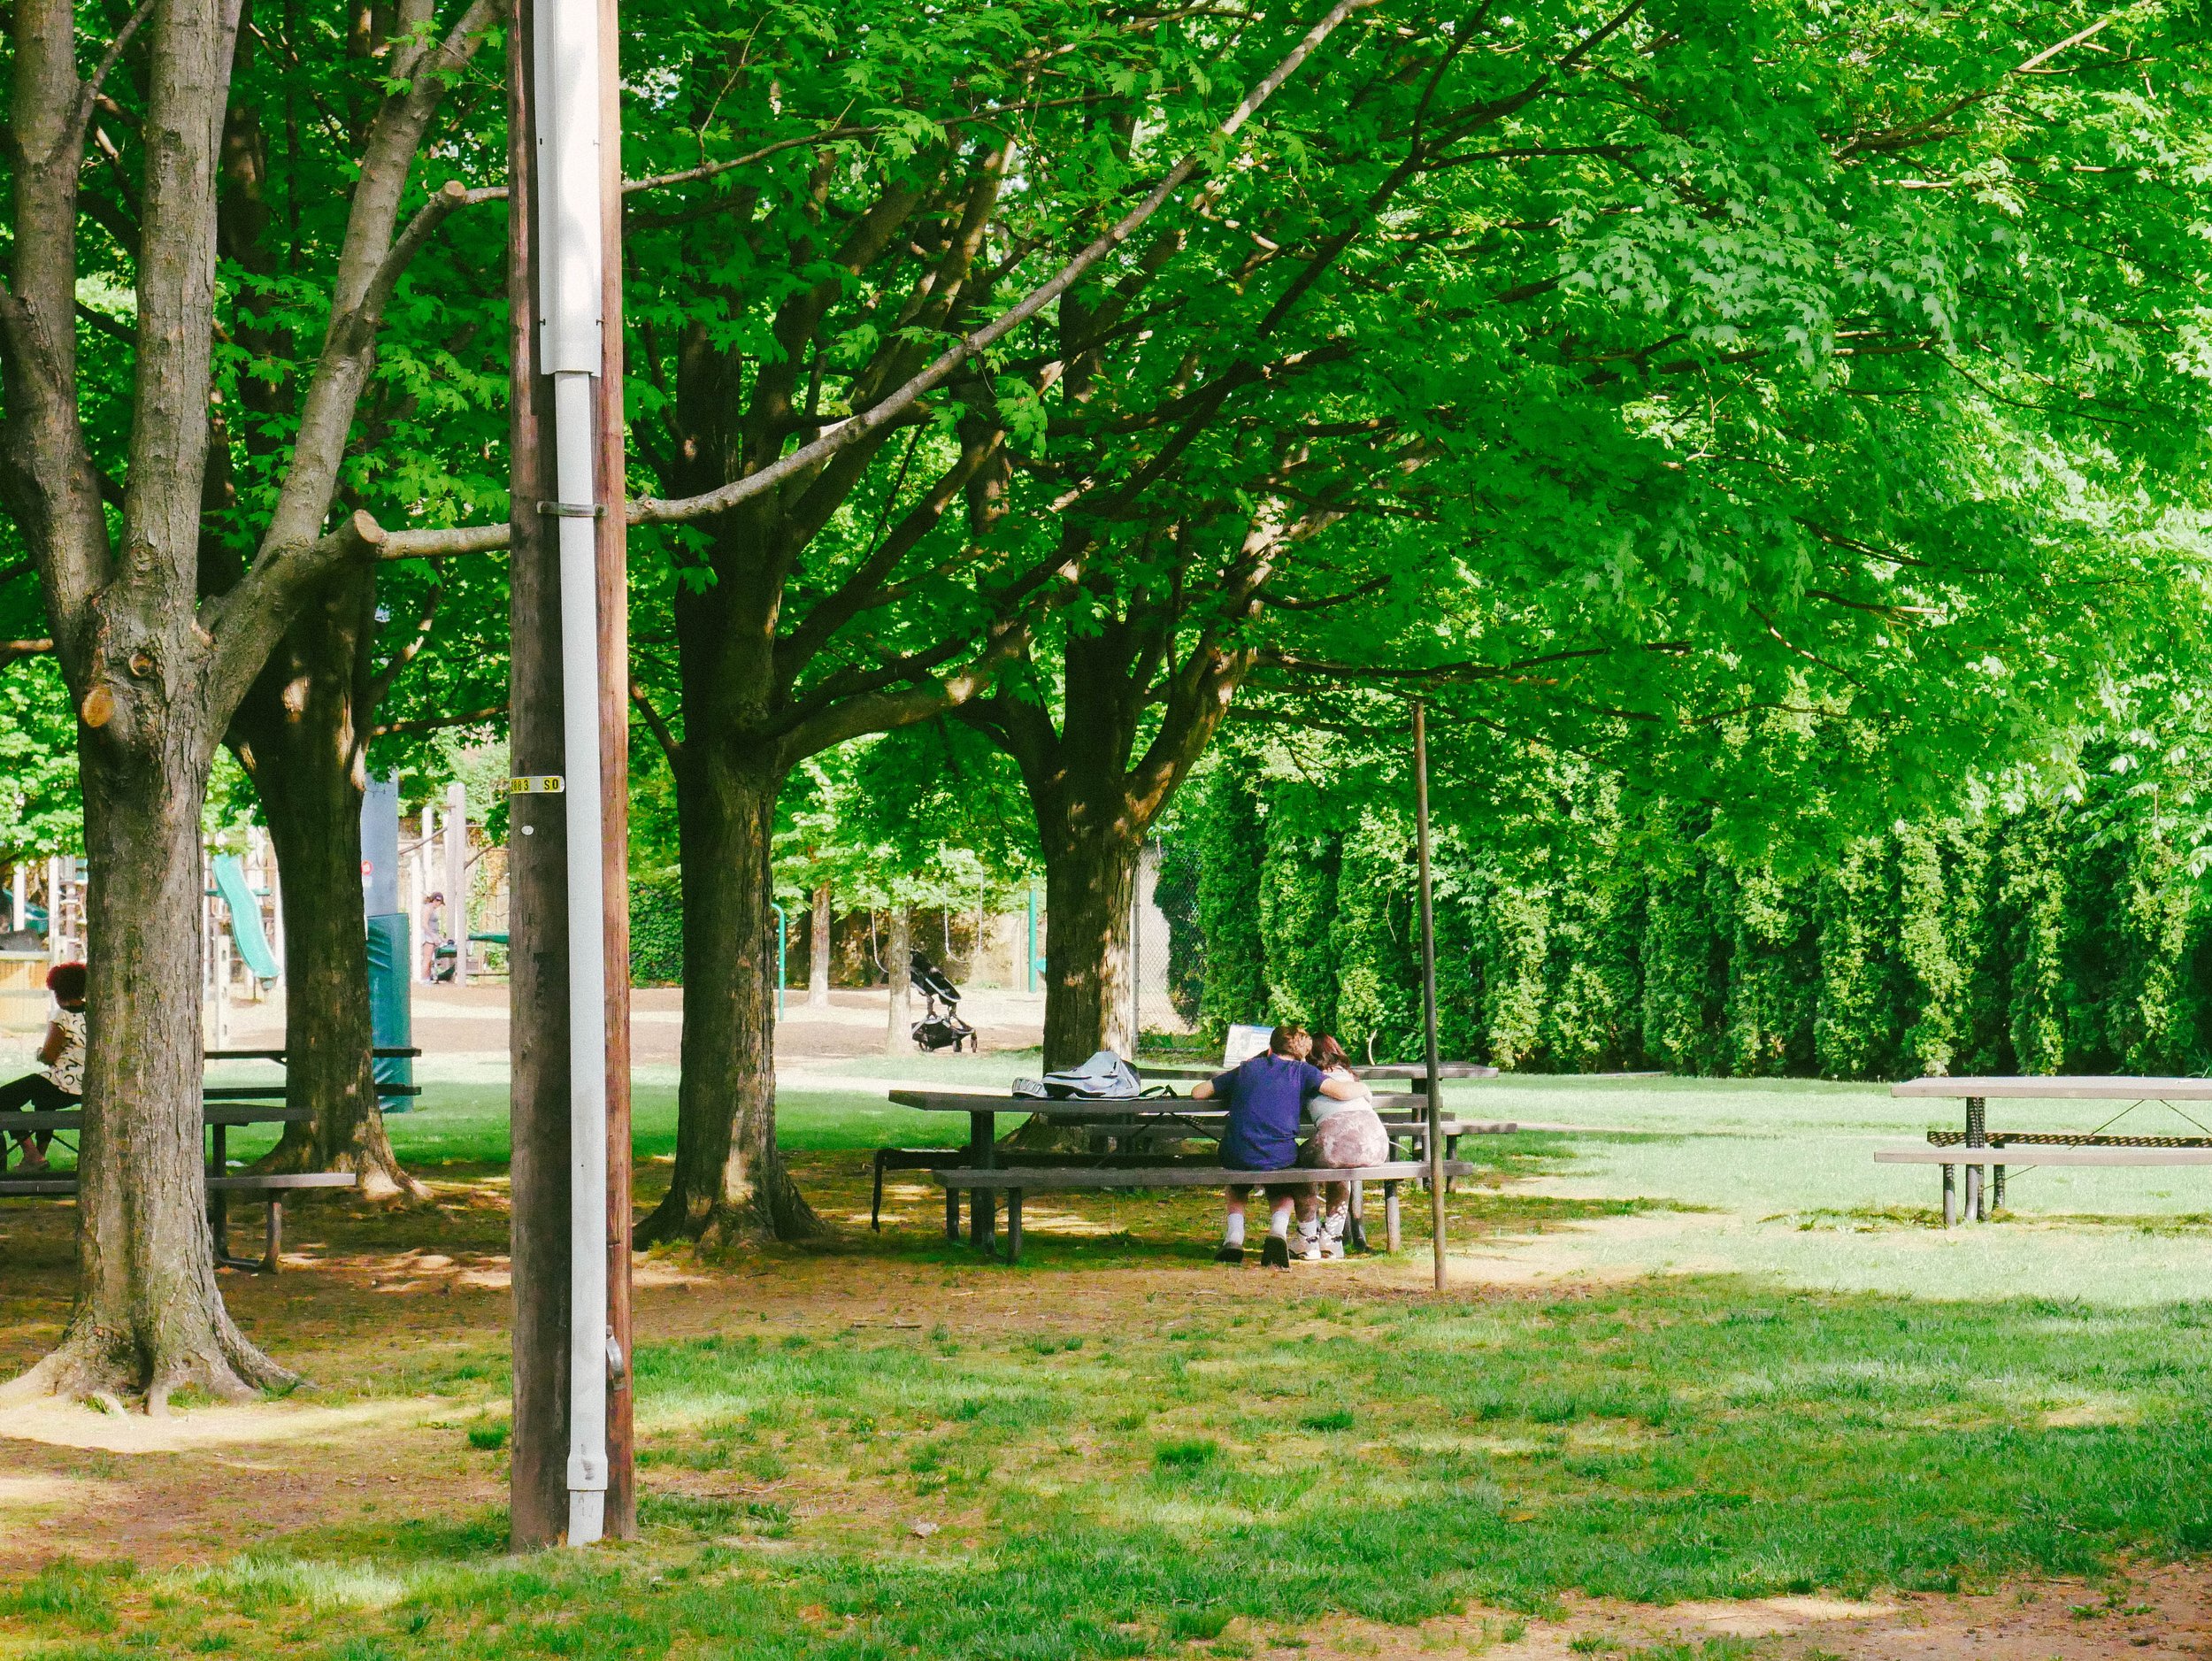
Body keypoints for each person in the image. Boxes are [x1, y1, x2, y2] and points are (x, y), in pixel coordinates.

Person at [1192, 1024, 1363, 1267]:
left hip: (1236, 1151)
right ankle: (1278, 1232)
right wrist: (1363, 1088)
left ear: (1270, 1047)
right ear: (1302, 1052)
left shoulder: (1247, 1068)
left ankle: (1234, 1237)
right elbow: (1341, 1092)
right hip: (1279, 1155)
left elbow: (1198, 1092)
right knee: (1283, 1181)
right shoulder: (1303, 1071)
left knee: (1237, 1185)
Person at [1294, 1034, 1389, 1261]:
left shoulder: (1308, 1076)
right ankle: (1333, 1238)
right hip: (1377, 1145)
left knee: (1296, 1166)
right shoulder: (1349, 1076)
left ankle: (1307, 1238)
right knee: (1338, 1170)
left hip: (1338, 1142)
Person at [1, 961, 87, 1173]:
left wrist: (39, 1053)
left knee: (4, 1097)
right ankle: (39, 1155)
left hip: (63, 1081)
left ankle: (30, 1152)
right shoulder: (92, 1013)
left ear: (58, 991)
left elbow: (49, 1056)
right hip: (85, 1086)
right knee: (43, 1101)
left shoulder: (62, 1016)